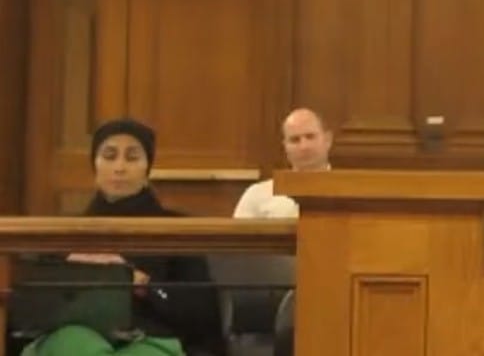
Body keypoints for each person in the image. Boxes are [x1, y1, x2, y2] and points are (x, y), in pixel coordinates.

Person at [23, 118, 225, 356]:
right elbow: (32, 312)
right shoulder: (66, 232)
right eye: (109, 156)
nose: (119, 167)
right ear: (95, 166)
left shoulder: (177, 229)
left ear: (147, 168)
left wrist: (145, 286)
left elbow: (201, 315)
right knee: (73, 341)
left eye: (132, 157)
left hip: (150, 338)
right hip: (78, 334)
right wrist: (73, 275)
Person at [233, 108, 332, 219]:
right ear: (285, 146)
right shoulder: (257, 195)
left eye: (310, 137)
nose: (304, 147)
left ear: (327, 140)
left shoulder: (347, 191)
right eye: (295, 140)